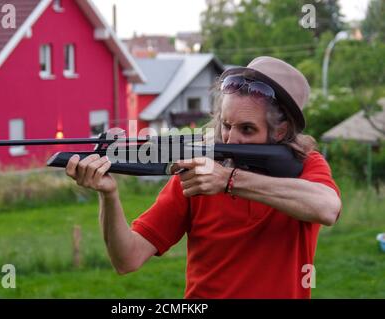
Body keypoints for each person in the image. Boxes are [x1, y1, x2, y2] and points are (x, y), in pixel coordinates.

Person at [65, 56, 342, 298]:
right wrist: (108, 194)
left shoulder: (305, 167)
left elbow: (327, 208)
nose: (230, 139)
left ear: (280, 132)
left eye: (247, 129)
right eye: (226, 125)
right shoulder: (197, 173)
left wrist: (229, 181)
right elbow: (127, 259)